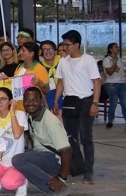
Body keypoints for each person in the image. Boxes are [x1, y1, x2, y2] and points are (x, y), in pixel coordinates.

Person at [53, 30, 101, 184]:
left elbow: (96, 82)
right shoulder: (63, 62)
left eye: (67, 44)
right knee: (71, 138)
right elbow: (60, 82)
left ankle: (88, 171)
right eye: (63, 44)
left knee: (86, 138)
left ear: (76, 45)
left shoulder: (88, 60)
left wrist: (95, 103)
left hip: (86, 100)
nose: (65, 47)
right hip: (69, 101)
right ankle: (75, 167)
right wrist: (56, 100)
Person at [12, 88, 72, 196]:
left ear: (41, 101)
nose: (30, 103)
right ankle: (49, 176)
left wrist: (62, 179)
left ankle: (56, 188)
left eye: (34, 100)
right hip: (43, 154)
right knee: (18, 152)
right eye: (27, 100)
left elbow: (66, 151)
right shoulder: (31, 115)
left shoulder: (50, 122)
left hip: (55, 158)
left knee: (18, 160)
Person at [13, 41, 50, 111]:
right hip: (18, 108)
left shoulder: (40, 68)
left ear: (31, 54)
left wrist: (40, 83)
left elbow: (46, 90)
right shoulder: (19, 67)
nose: (20, 52)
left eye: (23, 50)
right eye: (21, 50)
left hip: (32, 108)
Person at [103, 42, 126, 129]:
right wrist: (114, 63)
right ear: (111, 49)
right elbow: (110, 72)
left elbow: (121, 71)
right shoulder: (107, 60)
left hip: (122, 83)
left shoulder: (119, 58)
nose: (118, 48)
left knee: (124, 103)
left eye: (118, 47)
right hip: (112, 84)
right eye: (116, 47)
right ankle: (110, 120)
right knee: (113, 103)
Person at [40, 40, 63, 114]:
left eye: (50, 49)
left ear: (55, 51)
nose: (48, 52)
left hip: (67, 102)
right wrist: (46, 107)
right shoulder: (39, 67)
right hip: (50, 104)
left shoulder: (63, 62)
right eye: (45, 50)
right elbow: (41, 89)